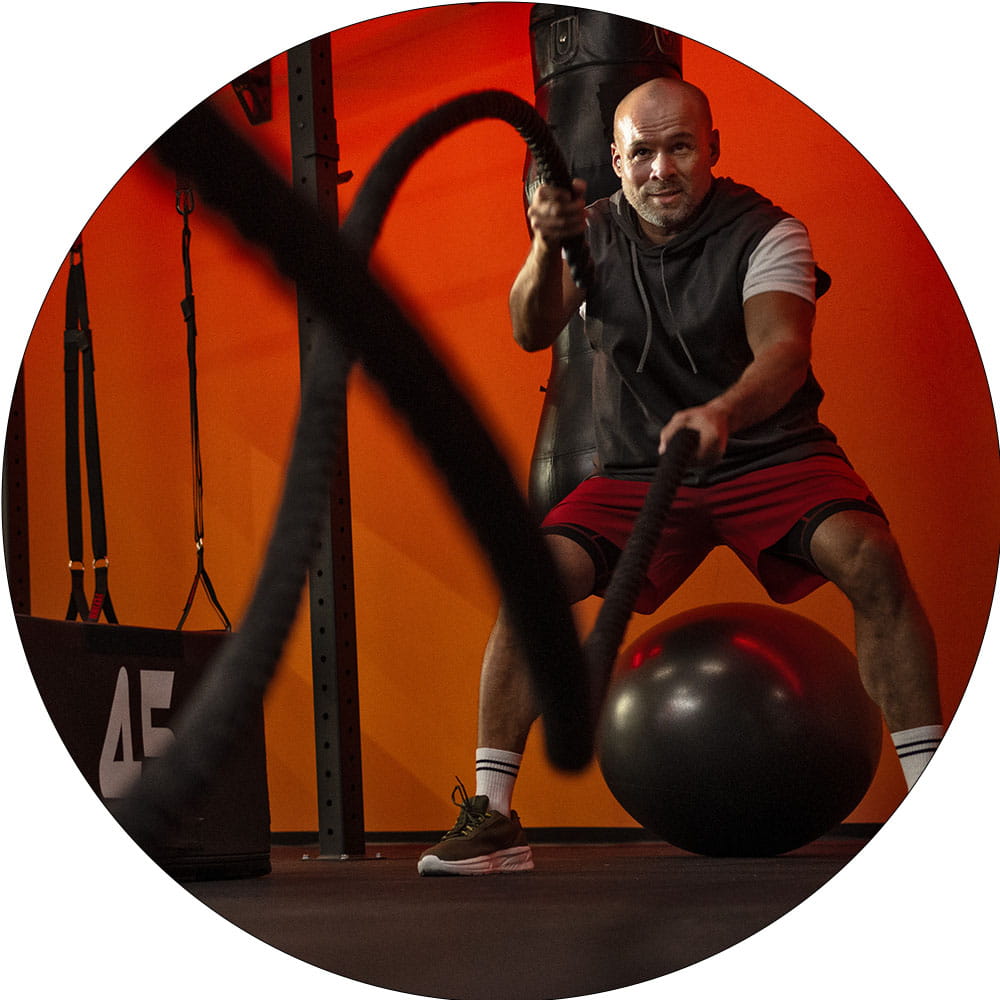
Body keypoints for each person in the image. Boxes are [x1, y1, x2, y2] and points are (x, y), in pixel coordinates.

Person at [417, 77, 943, 876]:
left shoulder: (768, 232)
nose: (661, 169)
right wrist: (545, 243)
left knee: (869, 555)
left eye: (680, 148)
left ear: (713, 149)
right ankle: (492, 817)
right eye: (643, 154)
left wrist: (723, 411)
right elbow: (530, 328)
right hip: (640, 468)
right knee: (531, 580)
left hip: (769, 453)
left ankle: (931, 800)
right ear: (617, 162)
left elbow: (783, 351)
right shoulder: (592, 232)